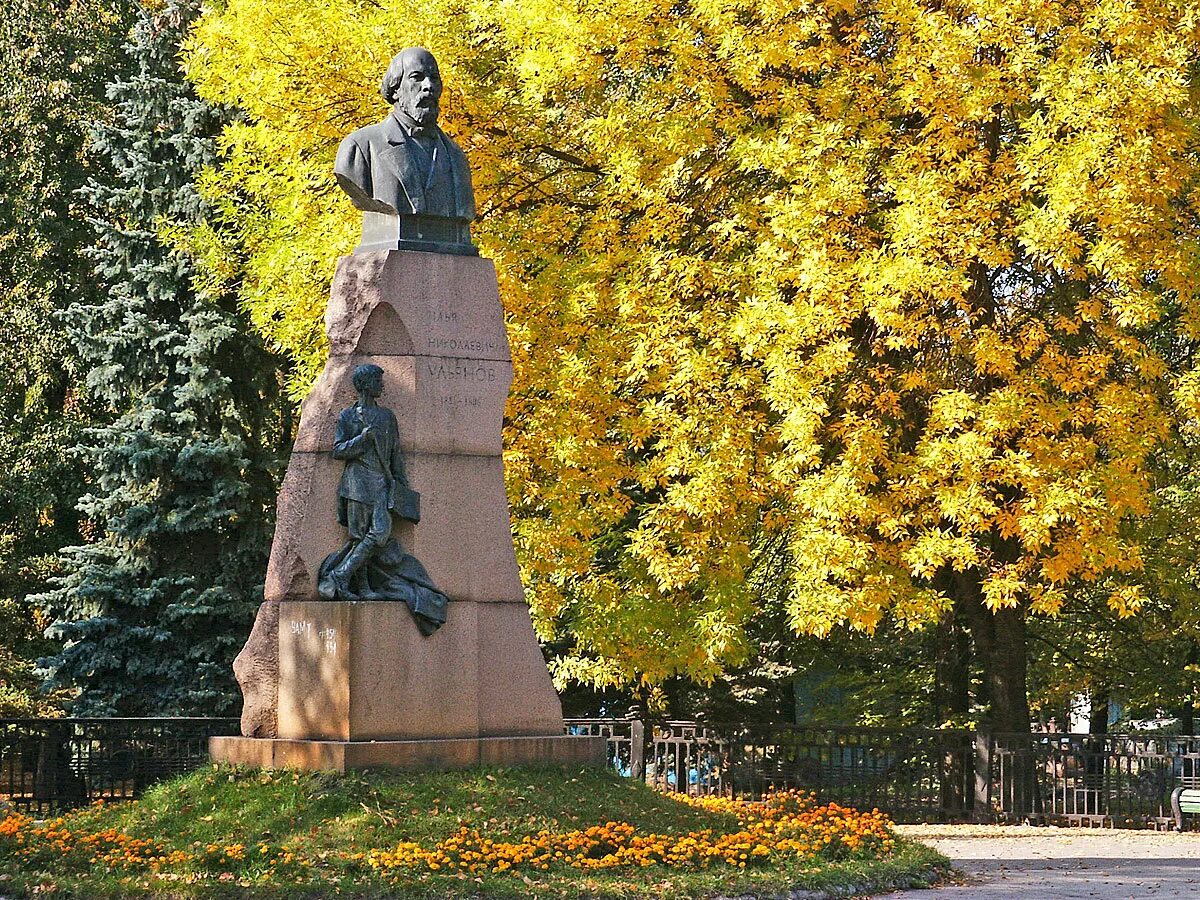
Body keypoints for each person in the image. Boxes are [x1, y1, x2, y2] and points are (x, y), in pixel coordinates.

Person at [317, 363, 447, 635]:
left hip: (381, 484)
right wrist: (362, 439)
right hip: (355, 484)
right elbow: (338, 451)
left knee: (380, 533)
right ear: (365, 385)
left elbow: (396, 454)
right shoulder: (348, 416)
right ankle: (361, 587)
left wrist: (401, 483)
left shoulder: (387, 417)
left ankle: (340, 575)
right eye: (377, 380)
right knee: (358, 535)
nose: (382, 385)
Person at [333, 47, 475, 223]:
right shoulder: (359, 147)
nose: (428, 86)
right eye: (417, 77)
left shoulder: (456, 156)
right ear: (395, 89)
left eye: (434, 78)